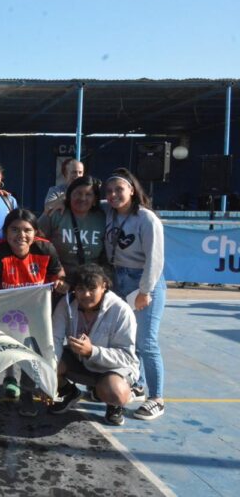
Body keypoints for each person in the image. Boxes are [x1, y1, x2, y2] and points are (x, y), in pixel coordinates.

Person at [0, 208, 66, 416]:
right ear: (6, 231)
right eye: (14, 229)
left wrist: (60, 285)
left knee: (33, 353)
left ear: (35, 232)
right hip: (4, 313)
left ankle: (28, 393)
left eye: (27, 230)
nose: (21, 235)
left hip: (36, 315)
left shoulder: (46, 249)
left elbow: (59, 276)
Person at [104, 168, 166, 421]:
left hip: (141, 280)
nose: (113, 195)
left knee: (146, 343)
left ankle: (157, 398)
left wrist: (145, 290)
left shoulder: (146, 218)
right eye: (108, 191)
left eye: (119, 189)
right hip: (117, 278)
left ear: (132, 189)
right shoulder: (108, 212)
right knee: (126, 339)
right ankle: (137, 384)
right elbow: (79, 198)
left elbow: (156, 258)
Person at [49, 264, 139, 426]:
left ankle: (114, 405)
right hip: (79, 361)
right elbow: (54, 340)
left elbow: (126, 357)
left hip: (112, 368)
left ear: (104, 286)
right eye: (81, 289)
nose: (86, 294)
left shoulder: (121, 310)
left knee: (116, 392)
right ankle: (68, 391)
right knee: (44, 364)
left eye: (92, 289)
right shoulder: (67, 303)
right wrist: (47, 376)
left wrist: (92, 351)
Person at [38, 175, 107, 278]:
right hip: (58, 278)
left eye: (88, 194)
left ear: (95, 199)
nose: (82, 198)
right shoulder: (55, 214)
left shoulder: (103, 218)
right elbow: (36, 240)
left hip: (90, 281)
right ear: (69, 195)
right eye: (78, 193)